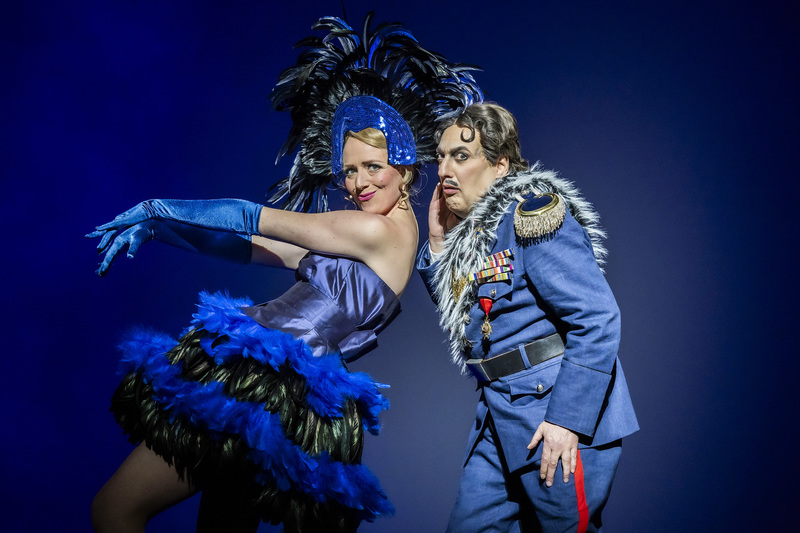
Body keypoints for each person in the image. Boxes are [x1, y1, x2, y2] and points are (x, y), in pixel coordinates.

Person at [87, 15, 482, 533]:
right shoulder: (369, 239)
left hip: (258, 387)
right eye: (349, 170)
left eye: (373, 166)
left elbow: (254, 218)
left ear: (405, 168)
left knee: (114, 509)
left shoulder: (374, 231)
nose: (358, 183)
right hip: (275, 400)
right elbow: (248, 247)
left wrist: (156, 207)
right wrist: (160, 231)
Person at [416, 103, 639, 533]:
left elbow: (598, 318)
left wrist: (566, 421)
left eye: (460, 156)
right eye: (440, 157)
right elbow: (470, 321)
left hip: (552, 416)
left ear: (500, 165)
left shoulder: (531, 217)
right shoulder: (480, 235)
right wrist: (441, 246)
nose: (443, 170)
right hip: (499, 415)